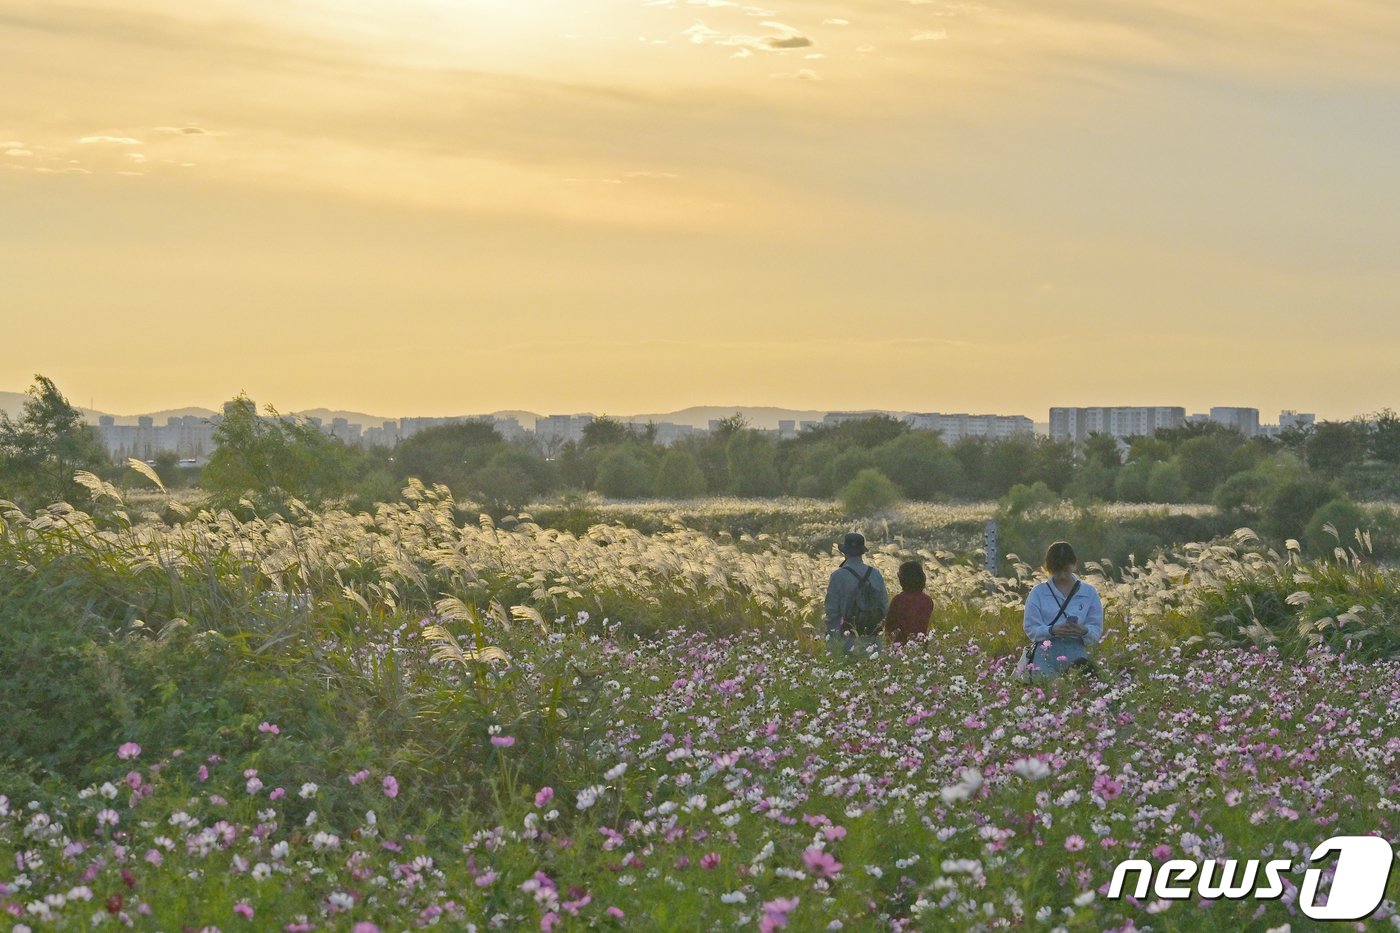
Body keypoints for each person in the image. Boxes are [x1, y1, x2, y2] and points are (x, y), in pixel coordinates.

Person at [1022, 541, 1103, 680]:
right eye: (1057, 571)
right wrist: (1052, 630)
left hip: (1076, 656)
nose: (1062, 576)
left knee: (1080, 696)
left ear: (1074, 565)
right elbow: (1030, 628)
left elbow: (1096, 631)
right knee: (1046, 696)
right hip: (1045, 656)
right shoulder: (1038, 592)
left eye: (1066, 570)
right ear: (1049, 568)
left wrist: (1083, 630)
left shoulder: (1089, 593)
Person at [823, 532, 889, 656]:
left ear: (844, 552)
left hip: (847, 638)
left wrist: (832, 639)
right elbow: (884, 606)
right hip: (872, 637)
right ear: (862, 552)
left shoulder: (838, 576)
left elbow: (831, 610)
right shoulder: (875, 574)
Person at [885, 560, 933, 645]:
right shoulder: (927, 600)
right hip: (920, 645)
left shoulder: (898, 600)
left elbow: (889, 627)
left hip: (899, 647)